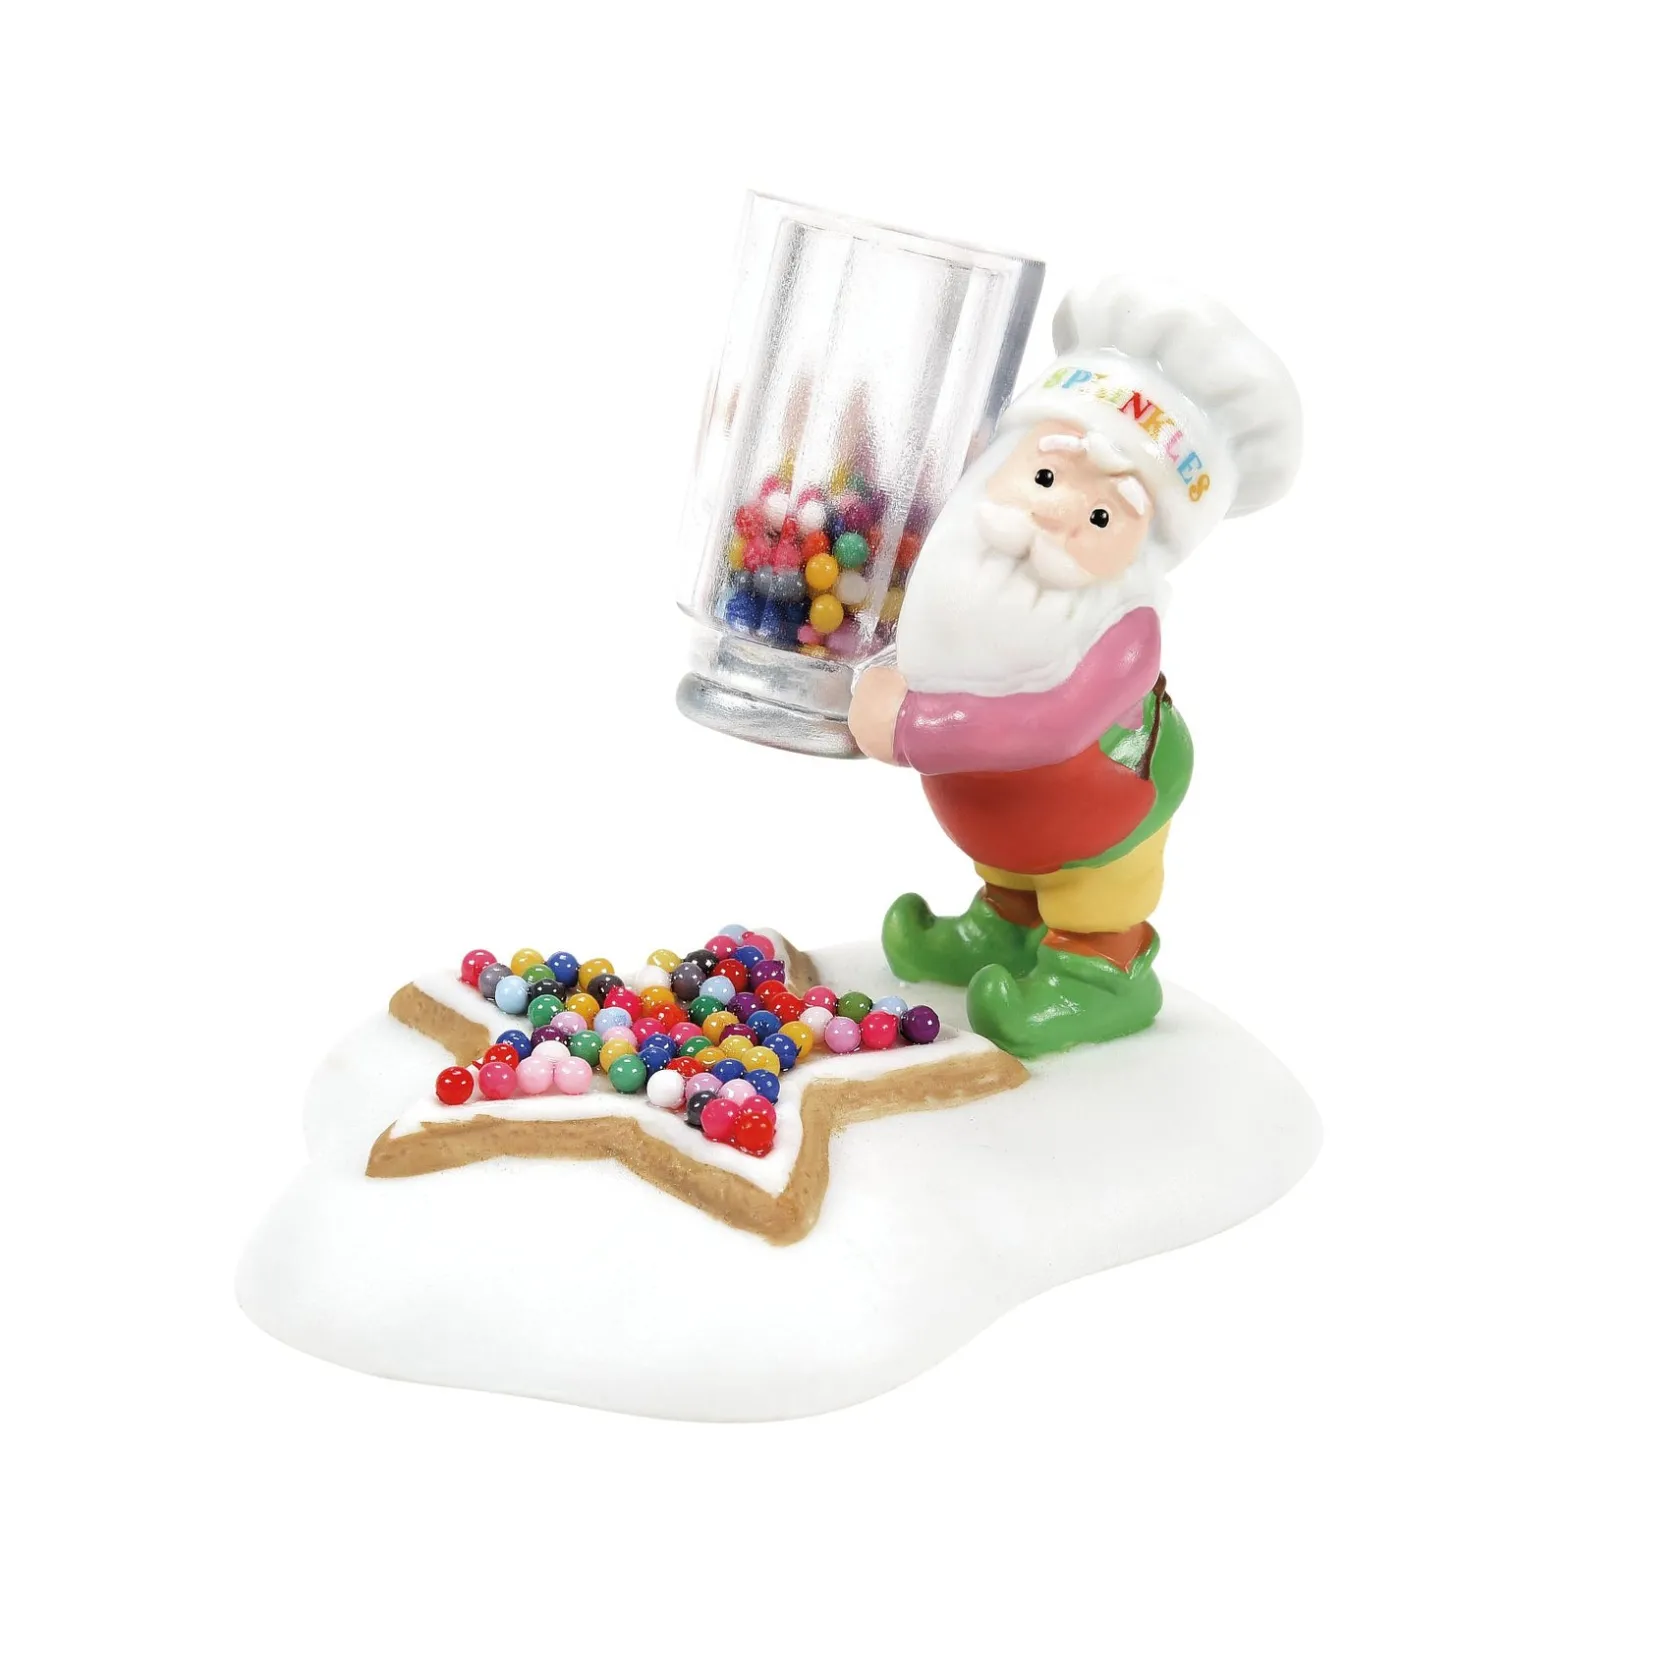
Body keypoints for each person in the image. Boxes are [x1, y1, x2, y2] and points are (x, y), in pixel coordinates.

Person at [847, 278, 1302, 1057]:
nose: (1054, 512)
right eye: (1045, 477)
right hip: (997, 813)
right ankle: (1006, 923)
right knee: (1014, 861)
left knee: (1093, 892)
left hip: (1104, 806)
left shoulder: (1125, 632)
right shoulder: (955, 569)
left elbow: (1045, 727)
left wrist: (911, 726)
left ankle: (1103, 973)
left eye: (1100, 515)